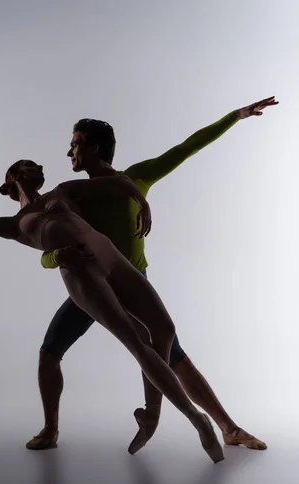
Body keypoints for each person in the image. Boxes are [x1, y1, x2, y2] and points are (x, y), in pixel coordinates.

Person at [0, 133, 224, 462]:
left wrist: (143, 202)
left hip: (108, 253)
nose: (40, 165)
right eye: (30, 165)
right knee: (135, 340)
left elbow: (120, 183)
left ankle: (151, 415)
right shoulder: (15, 224)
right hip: (81, 273)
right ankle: (196, 418)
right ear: (14, 177)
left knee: (164, 329)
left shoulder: (63, 190)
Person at [29, 96, 278, 451]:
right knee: (50, 351)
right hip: (91, 290)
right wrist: (57, 257)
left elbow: (187, 147)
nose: (69, 152)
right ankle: (50, 429)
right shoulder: (68, 198)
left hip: (133, 288)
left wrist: (234, 117)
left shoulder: (136, 178)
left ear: (93, 147)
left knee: (174, 356)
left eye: (74, 144)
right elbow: (39, 249)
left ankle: (228, 428)